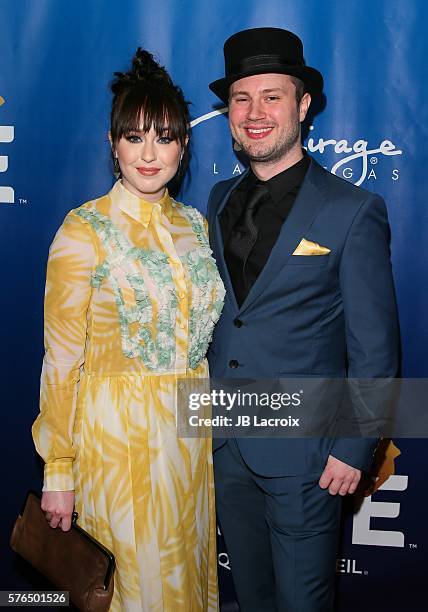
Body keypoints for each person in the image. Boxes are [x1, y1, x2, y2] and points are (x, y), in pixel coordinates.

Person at [207, 27, 399, 611]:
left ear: (304, 104)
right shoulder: (215, 202)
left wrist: (352, 447)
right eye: (242, 98)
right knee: (252, 599)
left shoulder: (351, 210)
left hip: (308, 457)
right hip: (224, 445)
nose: (255, 112)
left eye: (273, 96)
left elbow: (376, 348)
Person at [32, 48, 224, 611]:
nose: (149, 153)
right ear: (112, 144)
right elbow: (61, 360)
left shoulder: (194, 225)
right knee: (133, 590)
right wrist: (58, 468)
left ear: (183, 147)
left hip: (189, 446)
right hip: (118, 446)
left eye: (164, 138)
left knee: (184, 583)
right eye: (134, 137)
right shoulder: (83, 230)